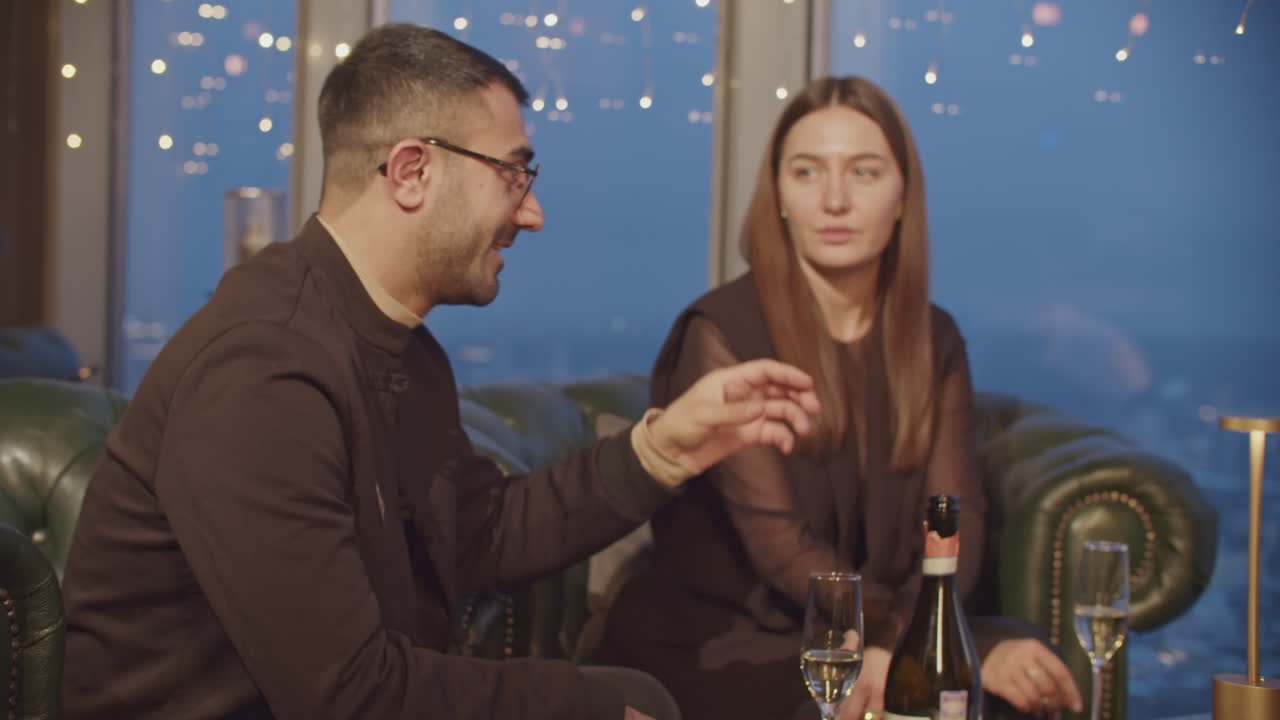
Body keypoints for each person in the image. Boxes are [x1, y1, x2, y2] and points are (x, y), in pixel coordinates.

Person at [59, 24, 822, 720]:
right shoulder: (262, 373)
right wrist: (575, 704)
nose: (532, 214)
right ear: (413, 170)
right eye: (513, 174)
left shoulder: (401, 347)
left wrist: (669, 448)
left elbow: (482, 533)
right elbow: (349, 696)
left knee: (639, 691)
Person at [595, 76, 1084, 720]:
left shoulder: (934, 338)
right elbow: (779, 549)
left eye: (864, 172)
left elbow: (953, 523)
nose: (834, 199)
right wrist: (907, 648)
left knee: (1008, 692)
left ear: (903, 194)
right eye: (806, 172)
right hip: (724, 645)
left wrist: (921, 644)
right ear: (779, 197)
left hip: (864, 633)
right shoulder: (718, 332)